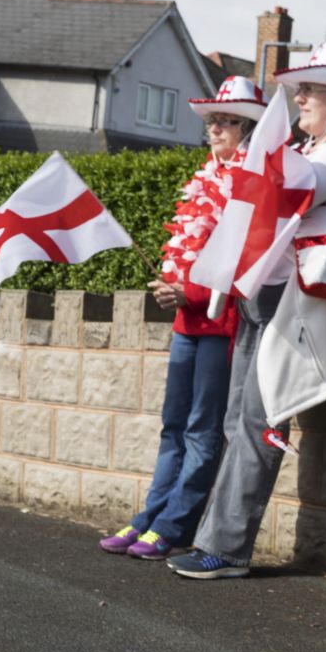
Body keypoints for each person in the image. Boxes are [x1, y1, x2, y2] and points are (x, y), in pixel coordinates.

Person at [165, 44, 326, 580]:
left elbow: (292, 189)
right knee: (236, 418)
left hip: (301, 307)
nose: (299, 97)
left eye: (312, 89)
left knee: (261, 422)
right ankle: (215, 541)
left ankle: (228, 549)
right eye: (301, 88)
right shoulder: (311, 145)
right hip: (270, 298)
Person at [98, 77, 268, 559]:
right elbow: (191, 247)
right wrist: (174, 289)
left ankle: (174, 525)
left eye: (226, 120)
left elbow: (239, 264)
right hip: (188, 324)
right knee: (174, 425)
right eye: (212, 119)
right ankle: (149, 518)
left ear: (249, 129)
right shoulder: (207, 175)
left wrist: (186, 292)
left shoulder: (251, 184)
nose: (214, 127)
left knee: (199, 430)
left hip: (218, 326)